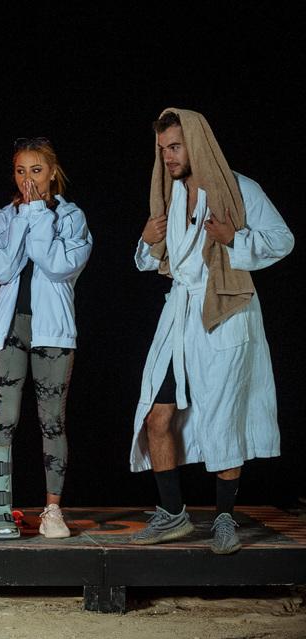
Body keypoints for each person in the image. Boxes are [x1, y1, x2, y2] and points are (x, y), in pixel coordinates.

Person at [130, 109, 294, 554]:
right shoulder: (169, 194)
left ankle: (224, 518)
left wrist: (233, 239)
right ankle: (172, 514)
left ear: (197, 144)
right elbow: (153, 259)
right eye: (163, 149)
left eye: (175, 147)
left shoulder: (239, 188)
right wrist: (147, 239)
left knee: (224, 417)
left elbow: (282, 240)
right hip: (180, 314)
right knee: (156, 415)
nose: (168, 157)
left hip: (225, 311)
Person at [0, 137, 92, 540]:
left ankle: (53, 510)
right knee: (4, 419)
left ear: (53, 172)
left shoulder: (71, 217)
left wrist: (39, 213)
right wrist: (24, 216)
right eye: (21, 171)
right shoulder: (4, 216)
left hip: (52, 330)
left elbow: (56, 264)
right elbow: (2, 269)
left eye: (37, 170)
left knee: (52, 421)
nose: (28, 179)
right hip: (8, 329)